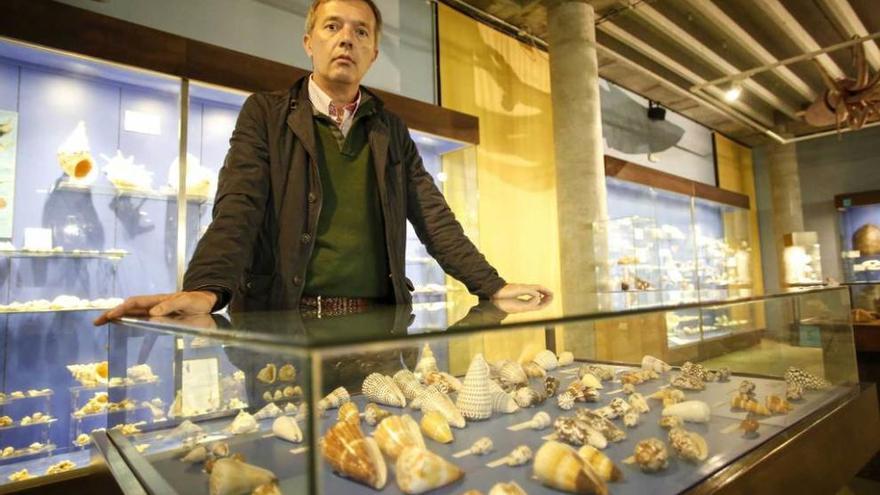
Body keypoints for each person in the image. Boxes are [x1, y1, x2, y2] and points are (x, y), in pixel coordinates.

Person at [94, 0, 551, 325]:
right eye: (333, 27)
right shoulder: (266, 113)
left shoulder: (389, 128)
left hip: (379, 329)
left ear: (372, 53)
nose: (346, 40)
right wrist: (207, 289)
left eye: (360, 32)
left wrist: (491, 286)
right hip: (286, 325)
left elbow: (434, 218)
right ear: (309, 41)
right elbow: (239, 208)